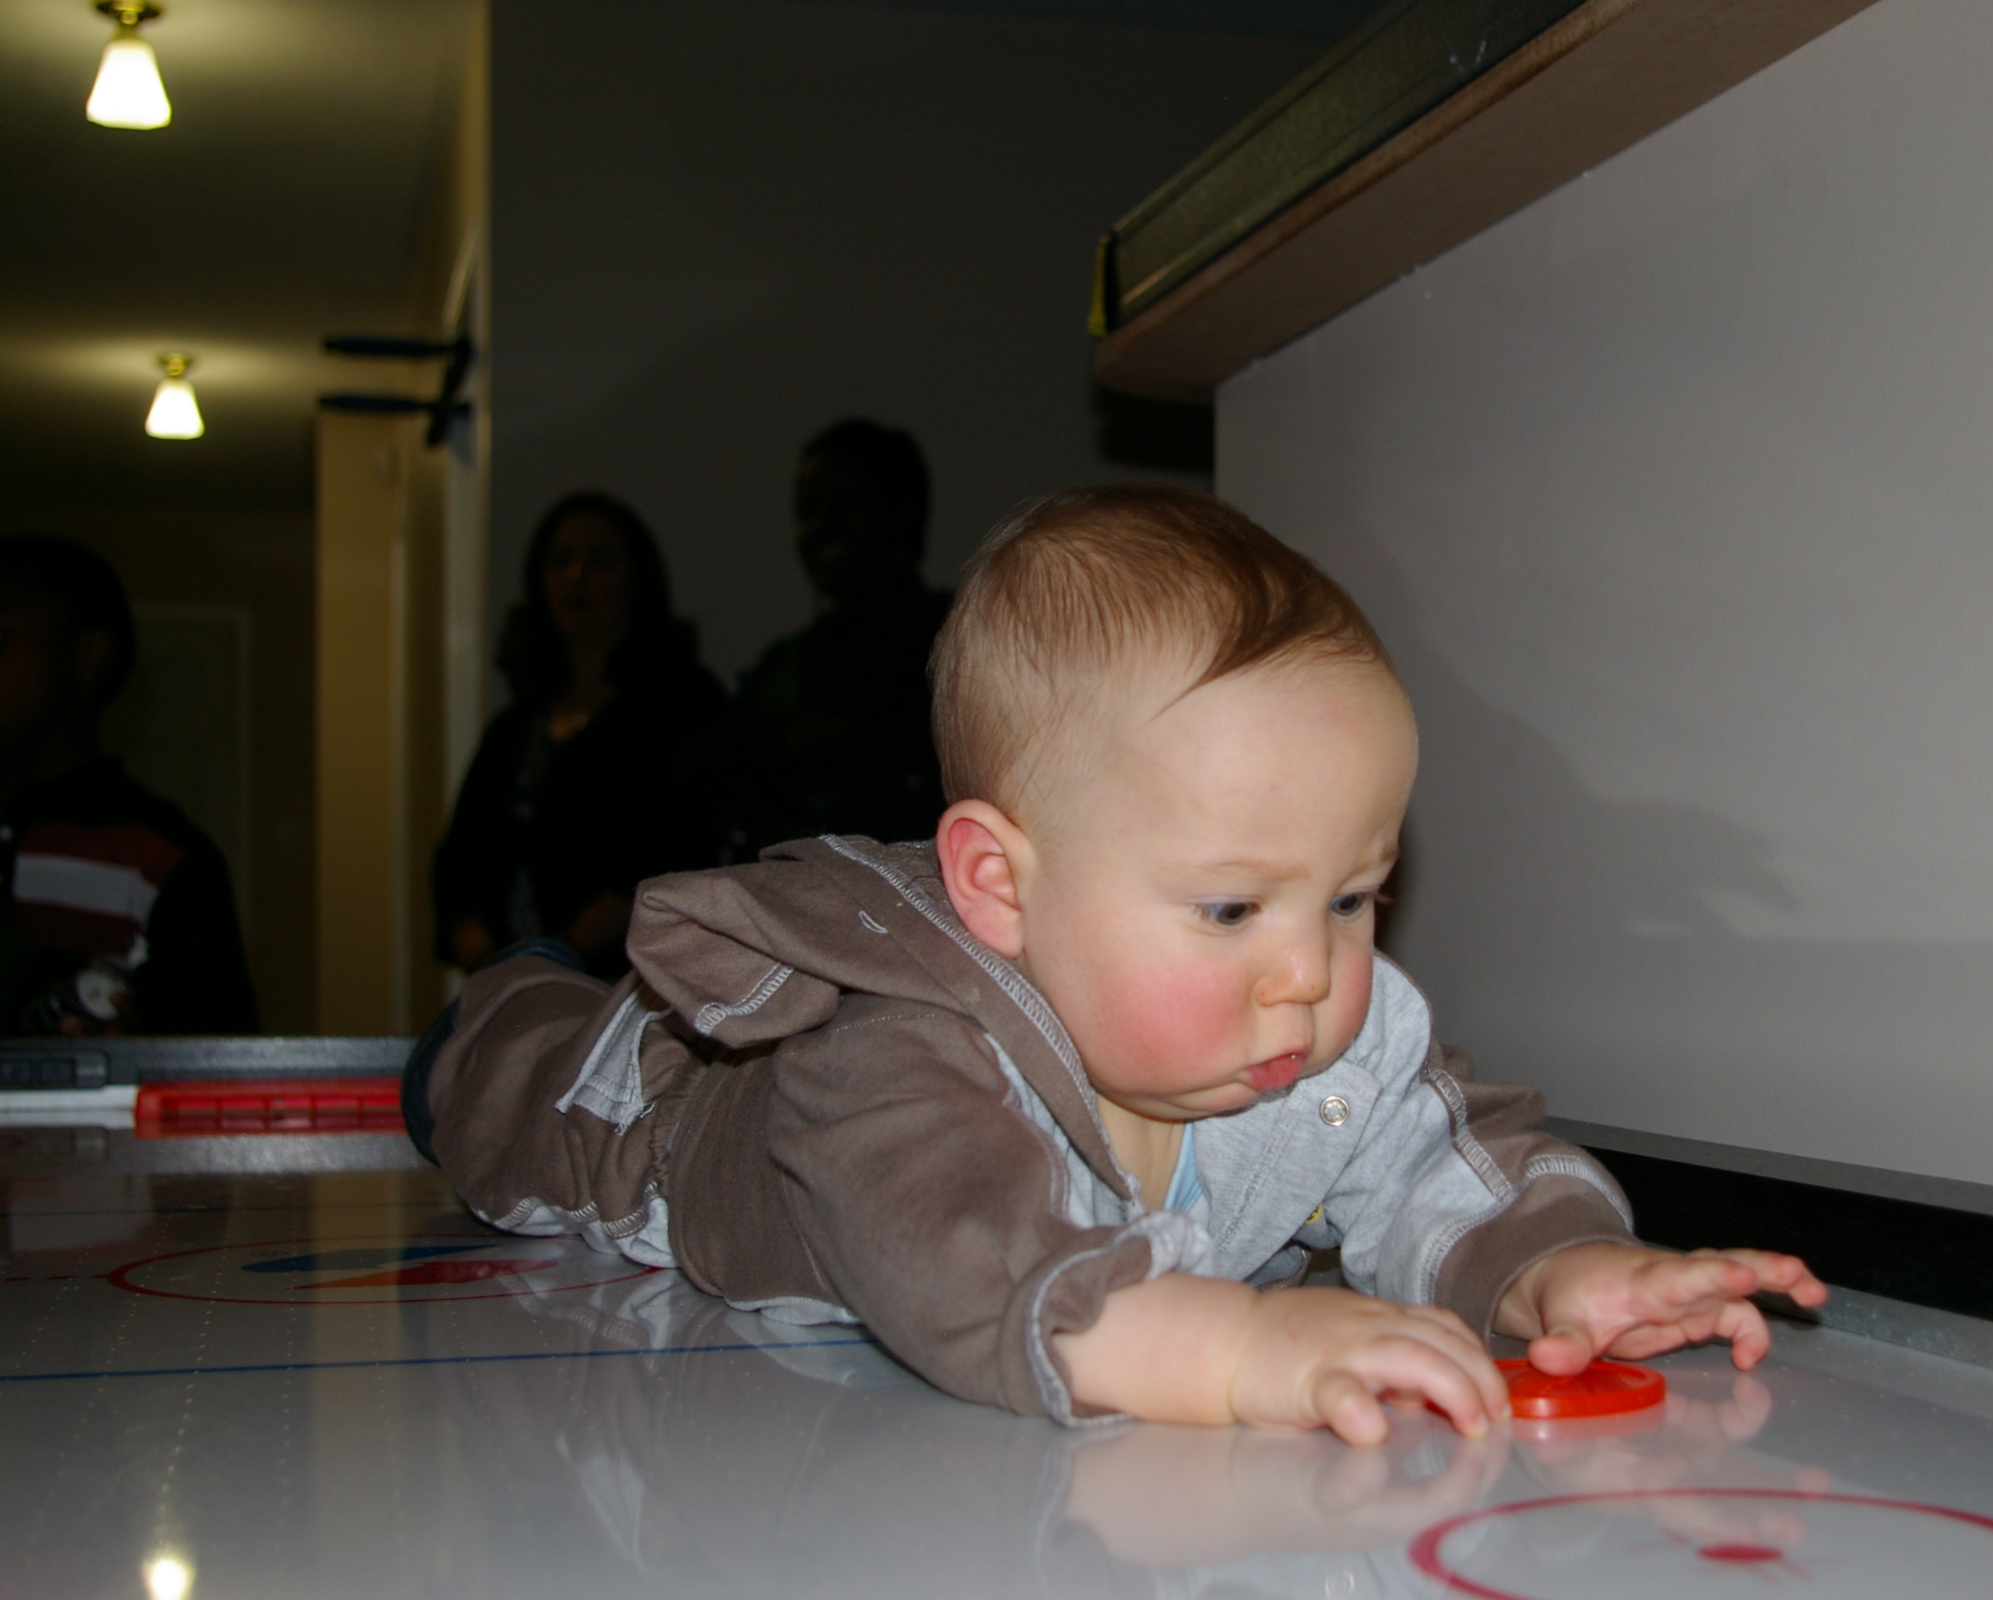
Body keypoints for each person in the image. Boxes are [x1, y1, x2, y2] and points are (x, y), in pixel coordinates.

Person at [408, 486, 1824, 1441]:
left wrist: (1562, 1265)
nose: (1306, 971)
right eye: (1232, 907)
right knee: (509, 1081)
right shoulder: (895, 1046)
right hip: (657, 1108)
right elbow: (960, 1261)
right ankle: (492, 1010)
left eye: (1351, 897)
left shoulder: (1311, 1037)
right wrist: (1237, 1351)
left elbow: (1445, 1159)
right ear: (1000, 887)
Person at [433, 493, 725, 982]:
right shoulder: (514, 728)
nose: (577, 576)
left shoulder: (681, 705)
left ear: (637, 579)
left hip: (633, 982)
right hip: (512, 989)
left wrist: (567, 951)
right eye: (562, 560)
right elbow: (459, 859)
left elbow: (679, 844)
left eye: (600, 560)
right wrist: (484, 953)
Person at [0, 536, 258, 1035]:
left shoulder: (160, 859)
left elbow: (214, 1057)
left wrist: (127, 1049)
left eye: (0, 636)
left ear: (89, 653)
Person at [692, 418, 950, 860]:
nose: (823, 527)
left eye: (847, 505)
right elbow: (703, 778)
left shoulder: (953, 639)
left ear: (902, 512)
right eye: (808, 511)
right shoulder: (785, 662)